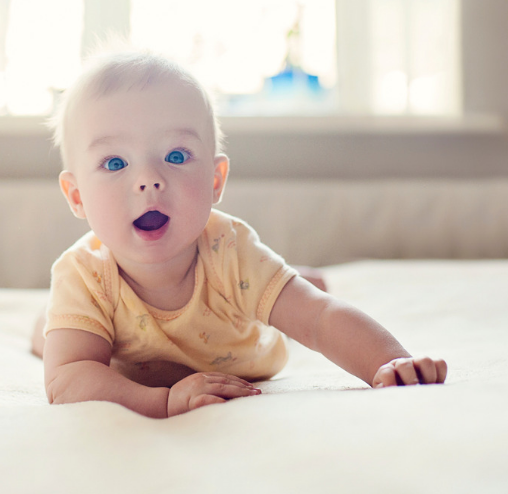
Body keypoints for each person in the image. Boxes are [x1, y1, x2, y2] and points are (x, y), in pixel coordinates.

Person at [34, 49, 447, 418]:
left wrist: (390, 363)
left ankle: (289, 281)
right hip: (105, 337)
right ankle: (46, 321)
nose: (148, 179)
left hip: (244, 344)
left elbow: (320, 320)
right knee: (52, 335)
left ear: (216, 180)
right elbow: (67, 378)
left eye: (176, 155)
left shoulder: (230, 251)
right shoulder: (84, 274)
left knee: (298, 298)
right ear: (77, 196)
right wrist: (161, 403)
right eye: (114, 163)